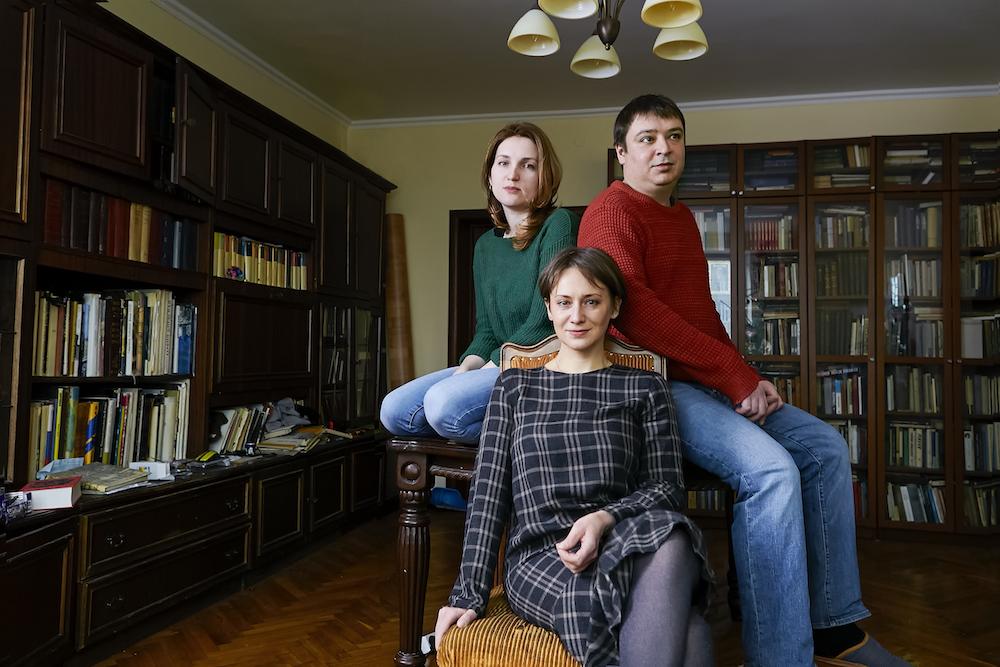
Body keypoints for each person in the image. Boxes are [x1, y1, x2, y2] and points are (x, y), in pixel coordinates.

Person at [578, 94, 911, 667]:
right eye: (648, 138)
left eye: (675, 136)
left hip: (704, 379)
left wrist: (746, 377)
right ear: (621, 152)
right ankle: (781, 656)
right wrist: (733, 376)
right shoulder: (611, 211)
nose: (664, 148)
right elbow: (635, 313)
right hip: (654, 387)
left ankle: (834, 629)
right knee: (771, 470)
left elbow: (702, 314)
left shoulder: (680, 217)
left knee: (826, 449)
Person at [435, 247, 715, 667]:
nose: (577, 316)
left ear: (614, 307)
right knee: (691, 631)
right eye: (564, 302)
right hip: (543, 557)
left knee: (672, 539)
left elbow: (667, 489)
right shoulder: (514, 389)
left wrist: (605, 518)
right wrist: (466, 594)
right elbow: (488, 498)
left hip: (623, 539)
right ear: (548, 307)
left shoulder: (645, 388)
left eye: (592, 301)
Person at [380, 122, 578, 444]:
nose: (512, 174)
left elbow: (546, 321)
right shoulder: (485, 245)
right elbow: (486, 330)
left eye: (527, 165)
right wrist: (465, 370)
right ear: (490, 175)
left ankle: (532, 440)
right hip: (497, 363)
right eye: (503, 163)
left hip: (539, 364)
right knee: (394, 411)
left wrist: (487, 368)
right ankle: (512, 429)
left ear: (545, 177)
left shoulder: (559, 225)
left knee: (443, 406)